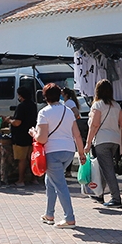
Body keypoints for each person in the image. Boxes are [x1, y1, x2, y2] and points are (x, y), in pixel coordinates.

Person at [31, 83, 87, 228]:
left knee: (60, 185)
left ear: (45, 97)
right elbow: (77, 135)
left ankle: (70, 218)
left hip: (52, 152)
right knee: (50, 181)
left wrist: (33, 133)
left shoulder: (44, 113)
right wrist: (81, 153)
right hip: (68, 151)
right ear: (60, 95)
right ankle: (49, 214)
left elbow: (42, 139)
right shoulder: (68, 111)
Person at [84, 79, 122, 207]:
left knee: (107, 170)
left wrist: (88, 143)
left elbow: (94, 125)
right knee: (102, 168)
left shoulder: (97, 105)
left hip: (102, 140)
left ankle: (115, 198)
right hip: (115, 141)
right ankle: (98, 194)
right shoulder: (116, 105)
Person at [9, 87, 37, 186]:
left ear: (21, 96)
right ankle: (34, 178)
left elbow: (17, 122)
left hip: (21, 136)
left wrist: (9, 120)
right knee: (32, 158)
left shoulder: (21, 106)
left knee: (22, 159)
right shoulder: (33, 105)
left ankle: (21, 180)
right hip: (31, 134)